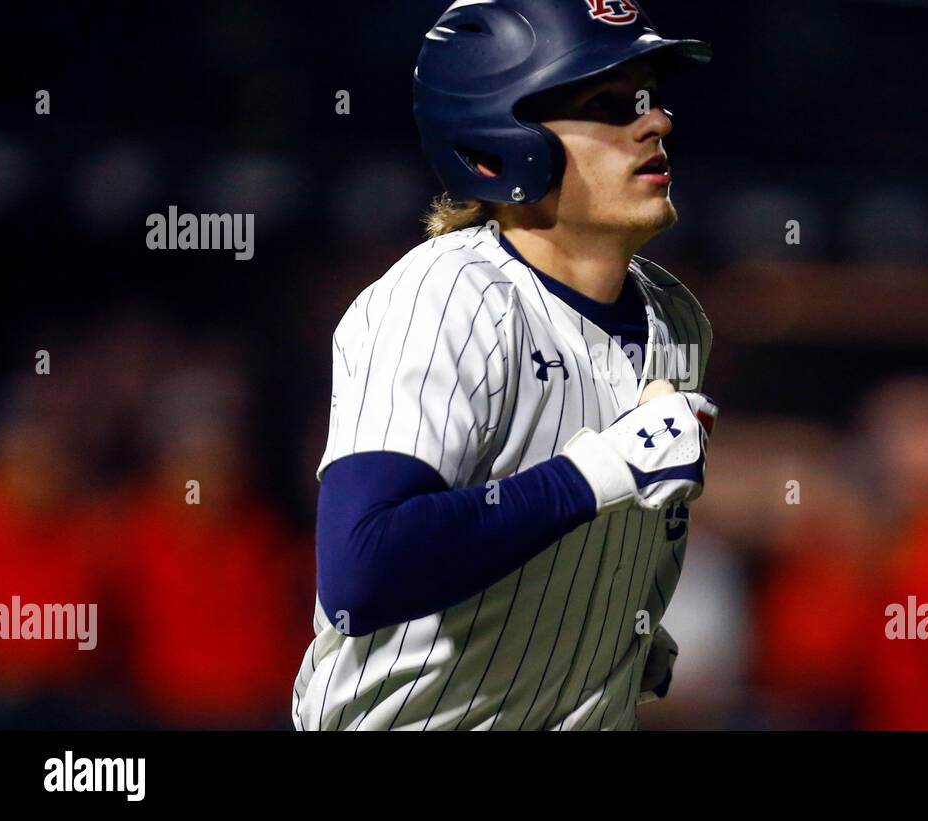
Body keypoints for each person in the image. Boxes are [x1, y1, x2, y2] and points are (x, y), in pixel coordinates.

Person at [292, 0, 717, 731]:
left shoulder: (677, 320)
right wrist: (600, 471)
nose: (656, 123)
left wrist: (604, 625)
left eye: (650, 100)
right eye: (609, 104)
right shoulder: (445, 298)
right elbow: (363, 570)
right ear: (501, 144)